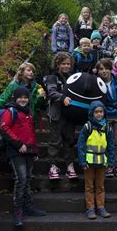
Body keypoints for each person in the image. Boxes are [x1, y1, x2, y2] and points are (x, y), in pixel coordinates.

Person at [0, 87, 46, 226]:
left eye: (25, 97)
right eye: (20, 97)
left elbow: (31, 132)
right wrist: (18, 143)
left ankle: (28, 206)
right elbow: (4, 129)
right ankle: (18, 210)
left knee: (27, 179)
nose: (23, 100)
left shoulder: (28, 112)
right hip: (16, 151)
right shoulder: (10, 111)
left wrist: (35, 150)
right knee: (21, 179)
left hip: (29, 151)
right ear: (15, 98)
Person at [77, 101, 115, 219]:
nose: (99, 114)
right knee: (89, 186)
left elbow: (111, 145)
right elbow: (81, 144)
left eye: (101, 112)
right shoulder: (87, 126)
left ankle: (101, 207)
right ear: (92, 113)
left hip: (102, 161)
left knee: (100, 186)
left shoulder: (107, 127)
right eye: (96, 112)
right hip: (89, 162)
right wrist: (82, 161)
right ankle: (90, 208)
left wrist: (111, 161)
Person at [44, 52, 78, 180]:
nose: (66, 66)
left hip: (70, 114)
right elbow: (51, 92)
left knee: (69, 140)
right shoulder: (52, 77)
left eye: (68, 64)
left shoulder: (73, 78)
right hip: (56, 114)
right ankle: (52, 166)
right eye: (63, 64)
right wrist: (62, 97)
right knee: (55, 140)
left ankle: (69, 165)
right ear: (58, 64)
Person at [0, 62, 46, 128]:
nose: (31, 72)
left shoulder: (37, 87)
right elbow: (4, 97)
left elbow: (37, 105)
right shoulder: (13, 85)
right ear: (21, 72)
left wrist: (41, 97)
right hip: (15, 116)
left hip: (30, 117)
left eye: (33, 71)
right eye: (28, 70)